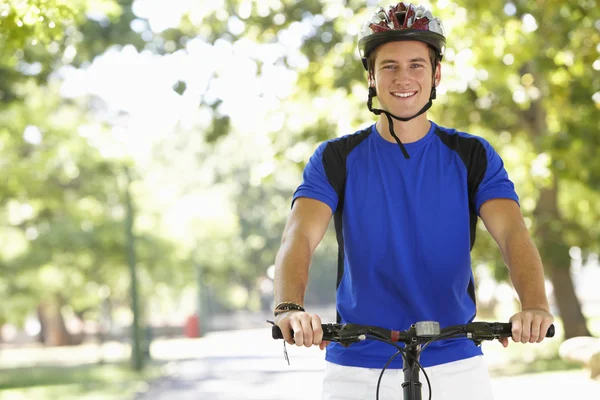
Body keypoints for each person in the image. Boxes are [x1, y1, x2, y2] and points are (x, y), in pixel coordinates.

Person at [272, 2, 554, 399]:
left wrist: (535, 306)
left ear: (436, 73)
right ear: (371, 76)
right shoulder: (335, 158)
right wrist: (289, 307)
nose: (403, 77)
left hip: (455, 361)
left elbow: (512, 234)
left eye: (416, 65)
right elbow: (298, 239)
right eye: (389, 65)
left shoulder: (472, 155)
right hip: (356, 365)